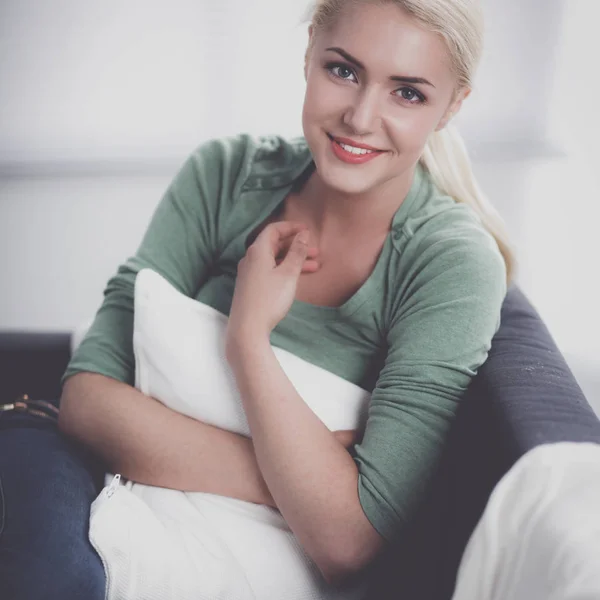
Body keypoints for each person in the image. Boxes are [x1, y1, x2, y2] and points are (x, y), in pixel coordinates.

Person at [0, 0, 513, 598]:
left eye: (408, 93)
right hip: (68, 487)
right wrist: (299, 474)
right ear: (309, 55)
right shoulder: (226, 175)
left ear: (452, 105)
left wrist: (248, 340)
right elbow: (85, 400)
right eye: (343, 71)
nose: (361, 116)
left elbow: (350, 541)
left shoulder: (451, 262)